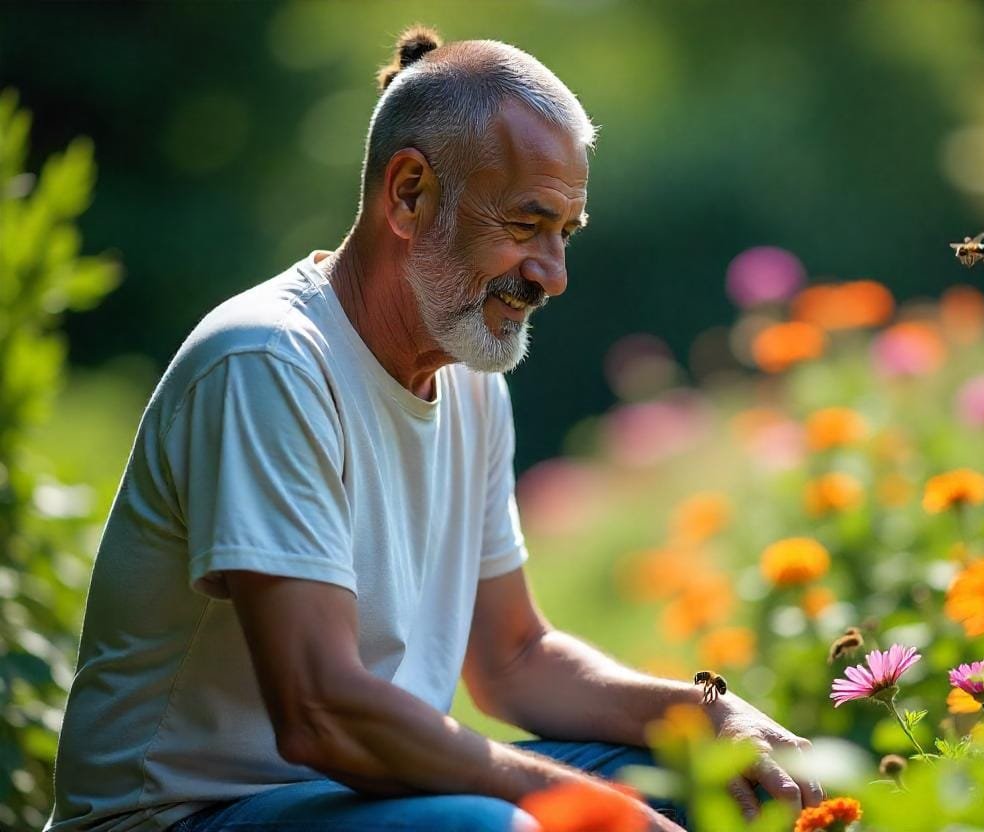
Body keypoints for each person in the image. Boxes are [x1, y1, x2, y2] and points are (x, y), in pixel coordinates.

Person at [44, 27, 821, 832]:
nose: (553, 273)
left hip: (356, 801)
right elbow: (321, 714)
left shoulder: (467, 374)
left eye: (567, 233)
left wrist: (707, 717)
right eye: (526, 225)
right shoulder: (268, 363)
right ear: (409, 194)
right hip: (185, 817)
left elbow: (514, 658)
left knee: (710, 781)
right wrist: (588, 808)